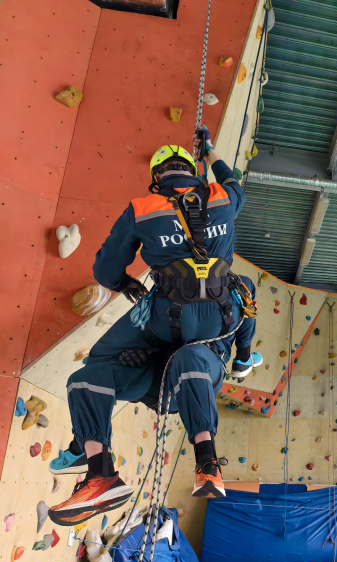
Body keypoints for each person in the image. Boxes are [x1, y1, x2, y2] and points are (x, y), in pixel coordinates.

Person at [49, 129, 258, 526]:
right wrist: (210, 150)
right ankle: (206, 461)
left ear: (157, 177)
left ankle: (95, 464)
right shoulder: (223, 197)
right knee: (195, 356)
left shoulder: (142, 208)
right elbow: (230, 177)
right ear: (192, 172)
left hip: (163, 321)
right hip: (208, 337)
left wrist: (122, 284)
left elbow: (106, 267)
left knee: (91, 370)